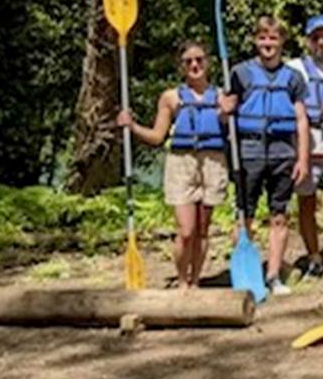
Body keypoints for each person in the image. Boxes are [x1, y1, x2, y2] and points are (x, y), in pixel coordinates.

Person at [117, 39, 228, 289]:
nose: (195, 65)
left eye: (199, 60)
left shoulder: (221, 96)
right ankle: (182, 280)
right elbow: (157, 136)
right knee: (186, 231)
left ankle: (197, 279)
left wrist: (227, 112)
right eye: (188, 61)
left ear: (207, 62)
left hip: (212, 162)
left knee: (202, 229)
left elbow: (227, 125)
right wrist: (131, 126)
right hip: (181, 163)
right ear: (181, 66)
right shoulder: (171, 97)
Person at [222, 16, 310, 295]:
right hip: (249, 150)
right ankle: (244, 274)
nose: (268, 43)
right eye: (262, 37)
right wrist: (223, 111)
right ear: (255, 40)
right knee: (244, 216)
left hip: (282, 151)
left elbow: (301, 120)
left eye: (273, 38)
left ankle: (273, 276)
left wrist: (303, 158)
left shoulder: (293, 78)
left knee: (279, 216)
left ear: (282, 41)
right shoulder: (239, 73)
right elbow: (227, 113)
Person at [289, 15, 323, 278]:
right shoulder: (294, 68)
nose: (321, 42)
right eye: (315, 38)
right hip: (305, 141)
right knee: (306, 204)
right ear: (308, 41)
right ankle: (314, 257)